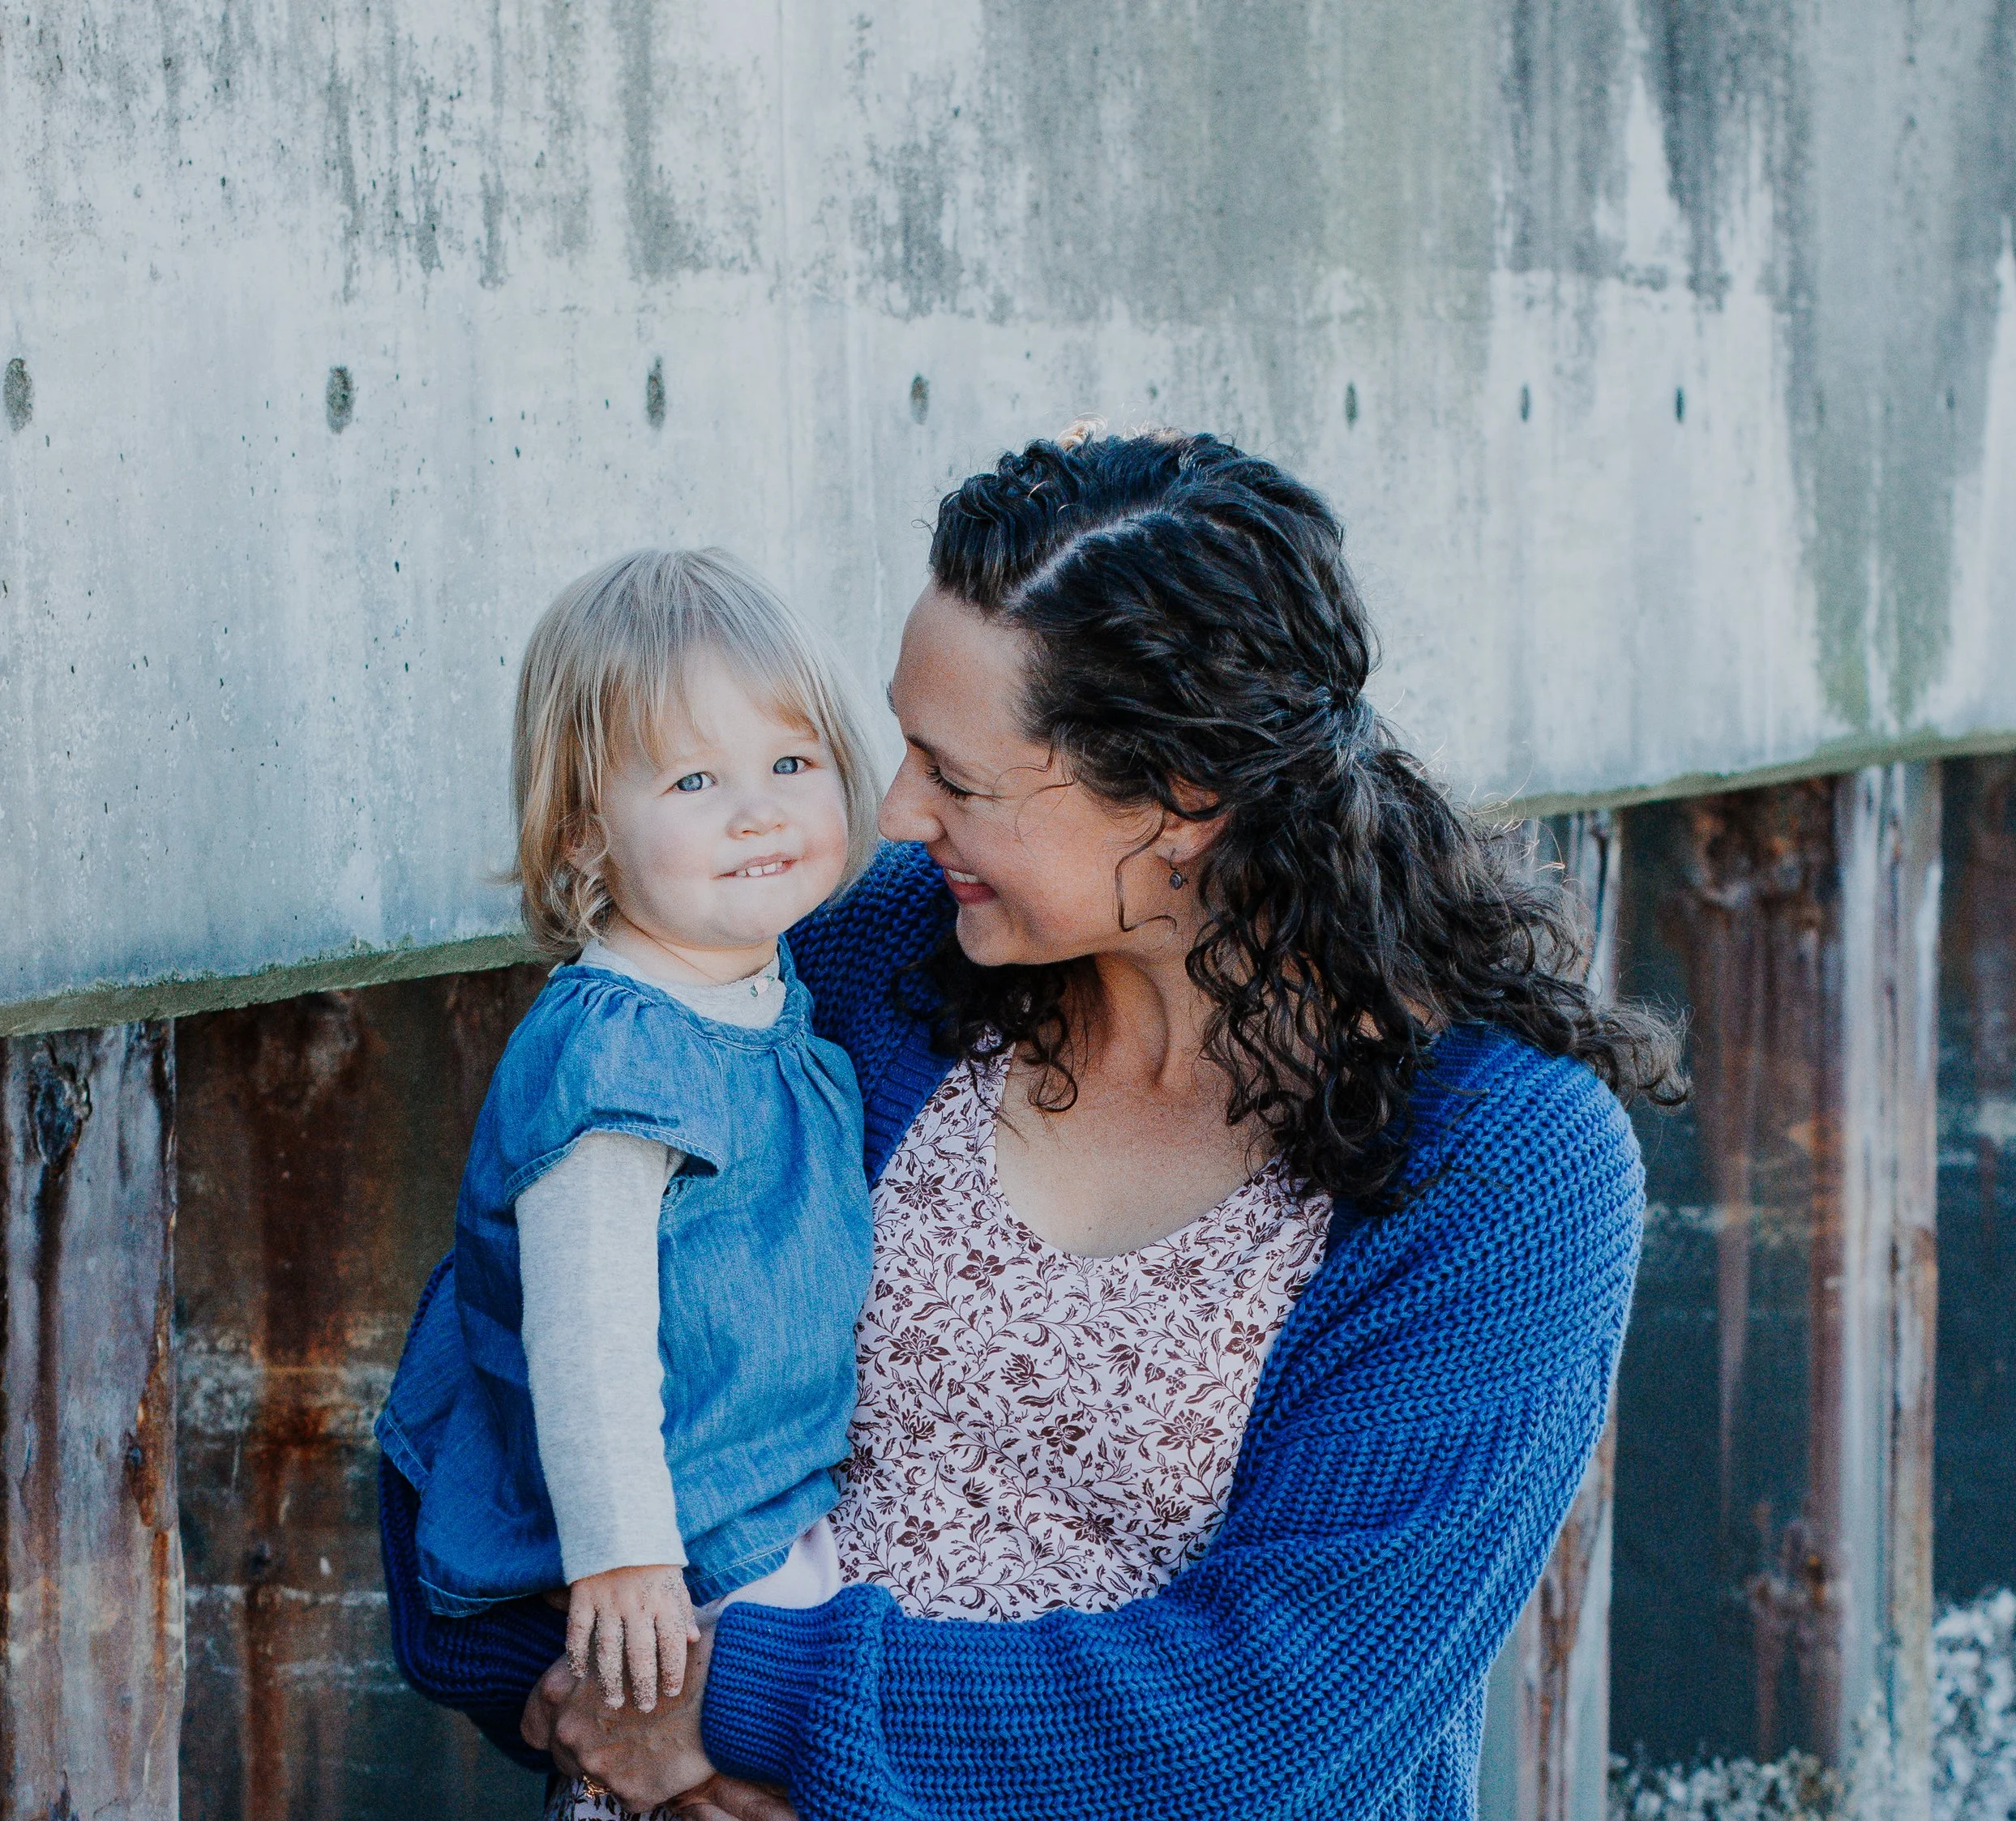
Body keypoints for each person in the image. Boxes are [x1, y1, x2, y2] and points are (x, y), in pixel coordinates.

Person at [380, 430, 1680, 1819]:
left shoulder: (1499, 1164)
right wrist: (636, 1723)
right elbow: (485, 1430)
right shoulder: (875, 960)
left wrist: (746, 1712)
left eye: (958, 776)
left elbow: (1274, 1719)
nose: (891, 809)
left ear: (1182, 802)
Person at [374, 548, 884, 1811]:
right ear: (586, 828)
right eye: (696, 779)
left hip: (765, 1509)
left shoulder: (764, 1005)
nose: (758, 810)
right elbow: (585, 1328)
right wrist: (623, 1558)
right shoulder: (618, 1045)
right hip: (677, 1543)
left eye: (791, 763)